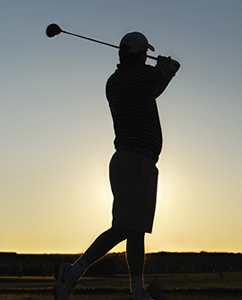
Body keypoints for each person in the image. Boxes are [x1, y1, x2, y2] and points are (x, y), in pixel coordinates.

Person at [54, 31, 180, 300]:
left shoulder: (113, 81)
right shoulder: (141, 77)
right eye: (145, 53)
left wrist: (163, 69)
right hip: (135, 160)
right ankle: (74, 271)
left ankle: (136, 289)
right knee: (125, 227)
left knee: (136, 228)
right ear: (141, 55)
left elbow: (156, 79)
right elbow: (159, 82)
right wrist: (168, 68)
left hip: (133, 160)